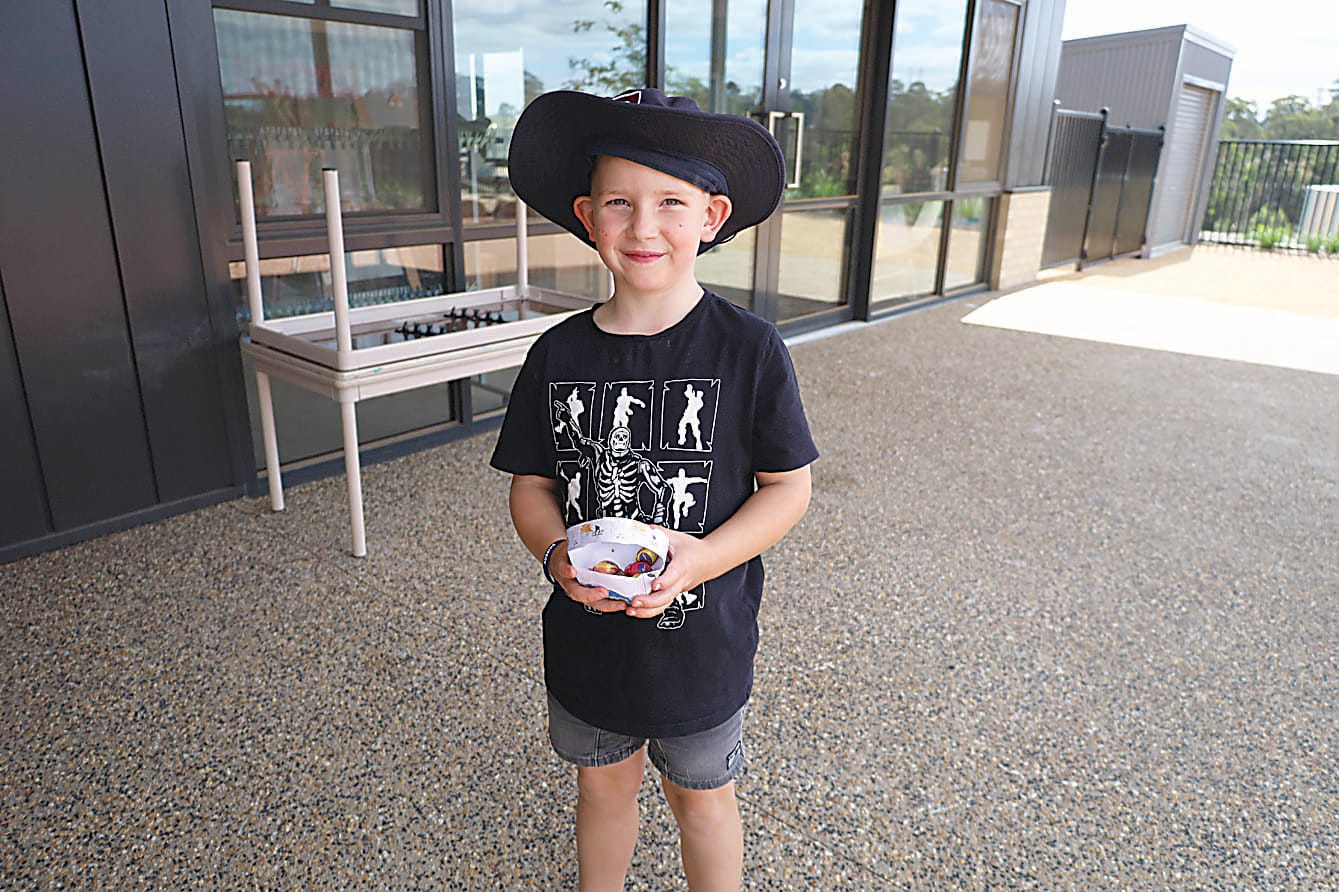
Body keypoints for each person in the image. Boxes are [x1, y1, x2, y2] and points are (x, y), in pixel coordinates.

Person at [490, 87, 818, 892]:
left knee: (701, 801)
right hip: (587, 642)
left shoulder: (750, 349)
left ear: (710, 216)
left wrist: (703, 558)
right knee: (602, 786)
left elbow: (787, 489)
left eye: (670, 201)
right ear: (586, 214)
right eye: (619, 202)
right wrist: (555, 554)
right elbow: (530, 485)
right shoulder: (556, 353)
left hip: (702, 649)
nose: (643, 226)